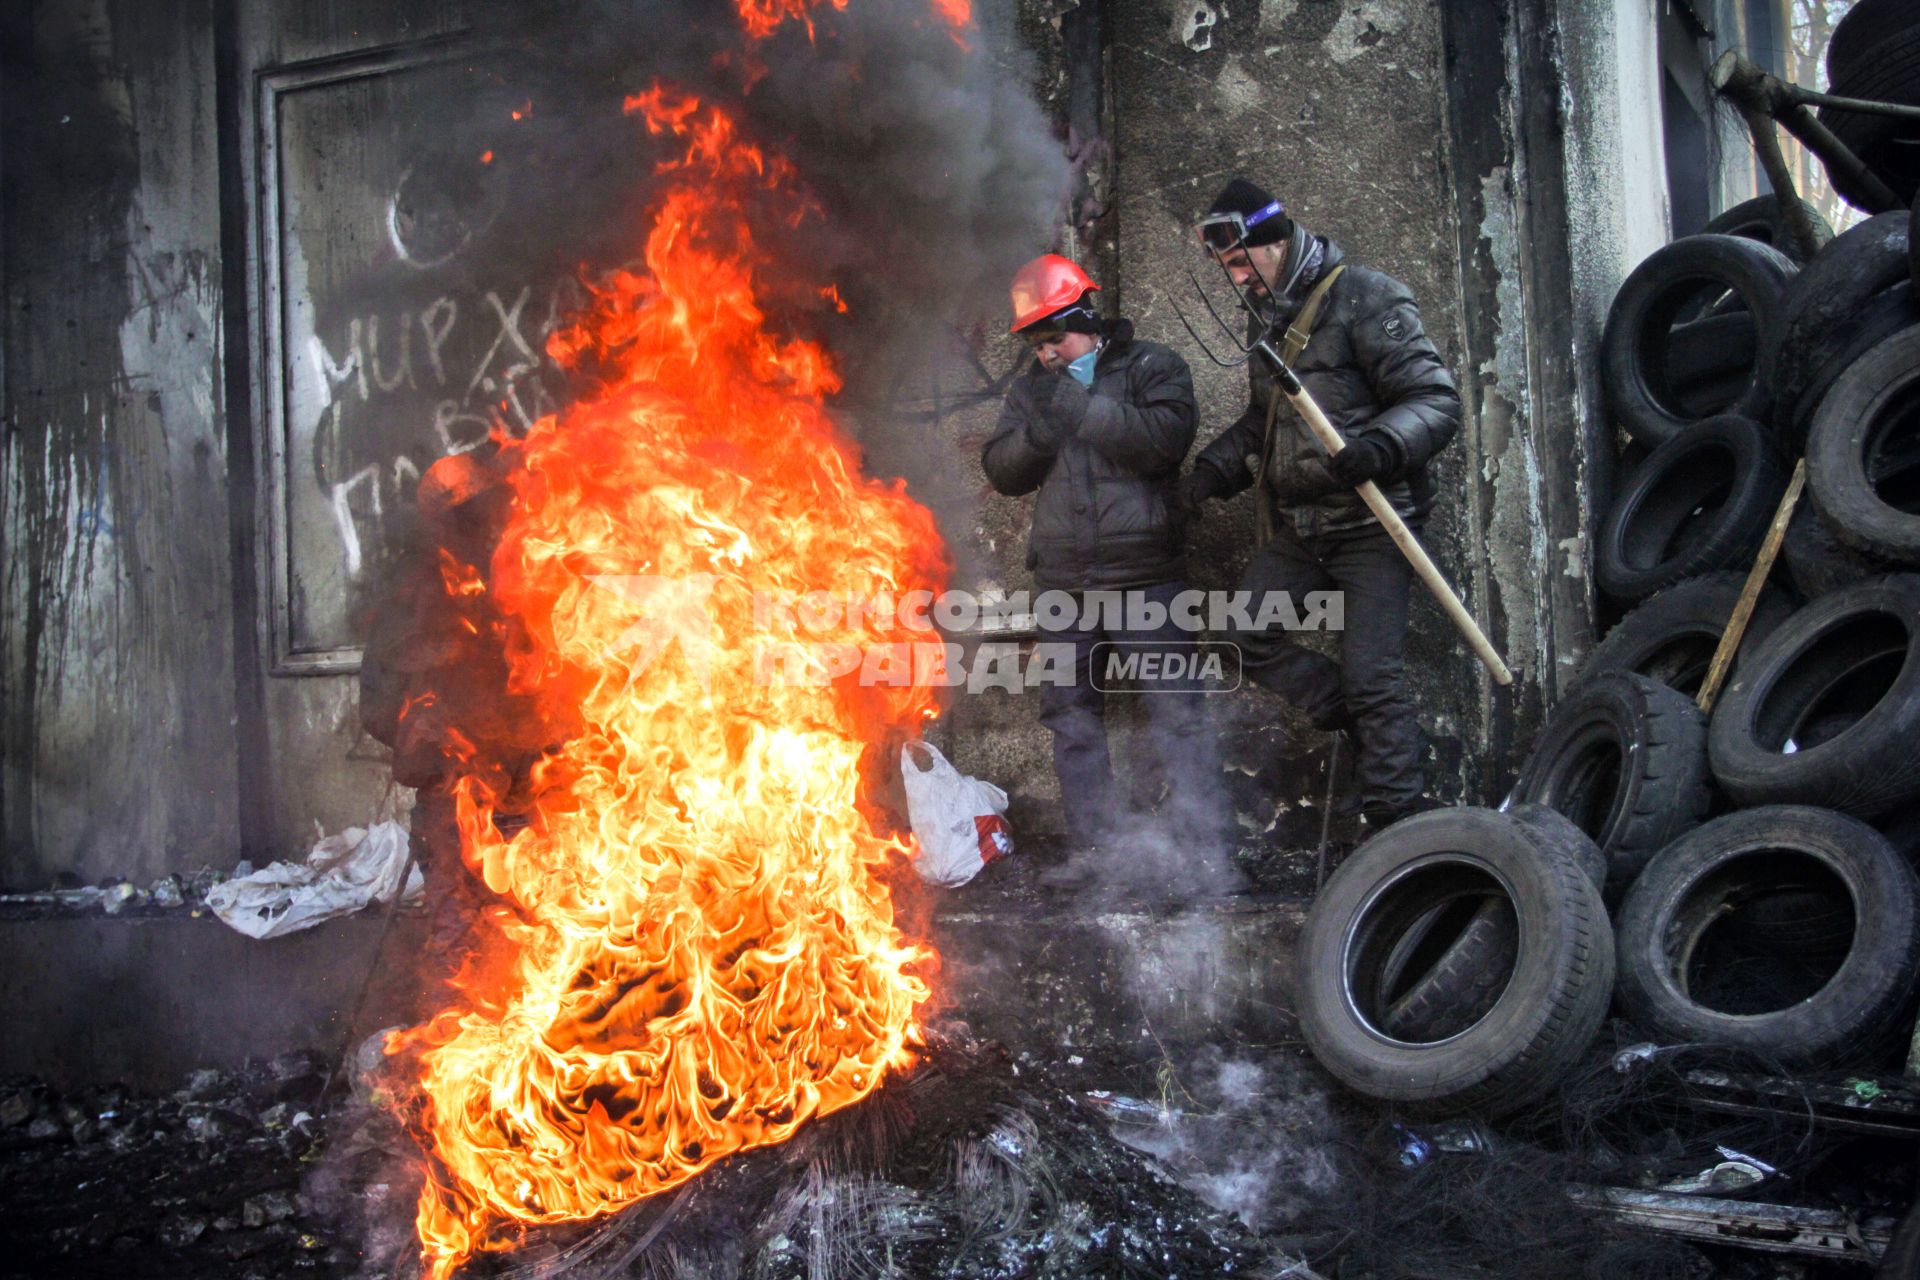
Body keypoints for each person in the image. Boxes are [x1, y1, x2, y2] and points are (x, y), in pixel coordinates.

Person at [1178, 179, 1462, 830]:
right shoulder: (1266, 318)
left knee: (1376, 679)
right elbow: (1265, 420)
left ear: (1275, 242)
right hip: (1304, 528)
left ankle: (1399, 825)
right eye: (1229, 269)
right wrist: (1211, 472)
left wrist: (1383, 445)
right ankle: (1359, 720)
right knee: (1243, 632)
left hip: (1373, 524)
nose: (1239, 278)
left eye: (1242, 262)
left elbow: (1437, 402)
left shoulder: (1367, 297)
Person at [981, 253, 1224, 877]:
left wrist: (1083, 409)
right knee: (1069, 717)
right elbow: (1002, 471)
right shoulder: (1033, 387)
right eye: (1035, 341)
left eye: (1055, 335)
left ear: (1087, 318)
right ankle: (1098, 854)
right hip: (1064, 583)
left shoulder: (1153, 366)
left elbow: (1164, 442)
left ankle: (1203, 853)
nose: (1046, 352)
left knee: (1176, 711)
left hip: (1145, 576)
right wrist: (1043, 428)